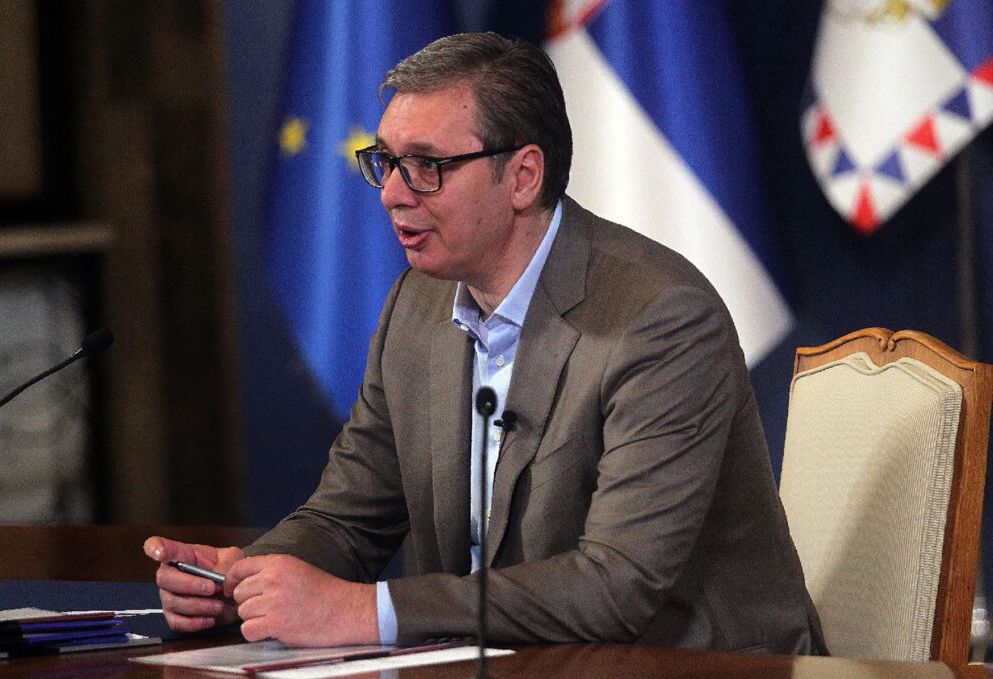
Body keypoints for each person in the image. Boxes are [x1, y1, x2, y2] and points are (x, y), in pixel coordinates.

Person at [145, 32, 826, 654]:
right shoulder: (417, 304)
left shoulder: (660, 319)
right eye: (386, 162)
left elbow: (616, 586)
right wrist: (252, 577)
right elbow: (349, 519)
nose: (391, 194)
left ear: (523, 176)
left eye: (427, 165)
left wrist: (364, 611)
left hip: (692, 666)